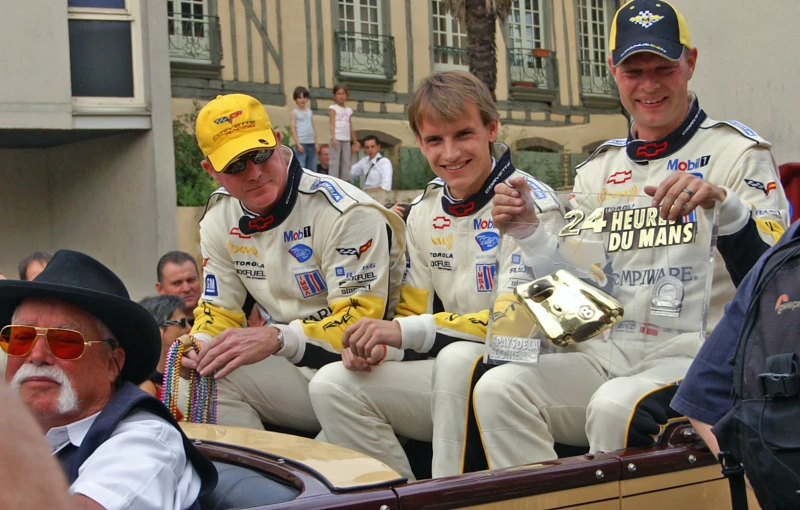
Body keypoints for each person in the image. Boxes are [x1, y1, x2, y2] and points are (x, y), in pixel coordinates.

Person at [480, 0, 789, 471]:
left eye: (663, 67)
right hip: (606, 348)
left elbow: (781, 282)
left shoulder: (738, 152)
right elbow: (580, 302)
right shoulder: (597, 169)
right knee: (498, 390)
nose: (649, 85)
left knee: (614, 405)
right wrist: (531, 235)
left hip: (697, 358)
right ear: (612, 71)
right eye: (633, 70)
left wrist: (724, 207)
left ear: (691, 62)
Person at [308, 70, 565, 480]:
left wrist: (403, 333)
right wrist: (381, 345)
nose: (449, 153)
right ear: (419, 141)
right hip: (455, 376)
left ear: (491, 129)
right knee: (331, 384)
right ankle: (398, 497)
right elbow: (413, 313)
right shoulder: (425, 210)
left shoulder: (529, 203)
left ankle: (448, 495)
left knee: (458, 359)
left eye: (463, 134)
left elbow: (516, 327)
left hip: (533, 372)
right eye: (434, 140)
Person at [184, 93, 407, 434]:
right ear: (210, 171)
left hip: (369, 368)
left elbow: (360, 324)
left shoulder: (346, 212)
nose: (255, 173)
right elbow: (219, 313)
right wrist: (196, 344)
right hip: (297, 366)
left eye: (260, 154)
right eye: (235, 165)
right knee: (196, 377)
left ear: (277, 140)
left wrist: (276, 337)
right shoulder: (218, 218)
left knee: (331, 384)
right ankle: (258, 481)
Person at [1, 249, 216, 509]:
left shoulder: (145, 441)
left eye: (65, 340)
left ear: (113, 363)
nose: (36, 355)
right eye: (21, 337)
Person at [0, 378, 73, 510]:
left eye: (65, 355)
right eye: (18, 355)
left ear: (111, 366)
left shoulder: (119, 446)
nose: (37, 357)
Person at [138, 295, 192, 411]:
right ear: (159, 331)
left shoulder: (181, 376)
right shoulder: (146, 386)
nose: (189, 328)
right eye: (182, 323)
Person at [328, 84, 359, 181]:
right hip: (336, 138)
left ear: (346, 95)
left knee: (346, 162)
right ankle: (334, 182)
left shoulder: (348, 110)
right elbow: (332, 124)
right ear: (334, 96)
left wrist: (354, 140)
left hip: (346, 140)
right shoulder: (333, 108)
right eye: (338, 94)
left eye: (343, 94)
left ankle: (344, 182)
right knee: (335, 162)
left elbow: (350, 126)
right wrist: (333, 138)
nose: (341, 96)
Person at [156, 251, 202, 316]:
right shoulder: (151, 324)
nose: (186, 289)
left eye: (191, 280)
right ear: (160, 289)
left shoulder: (218, 317)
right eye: (177, 283)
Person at [290, 86, 318, 170]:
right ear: (295, 99)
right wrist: (298, 143)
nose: (302, 100)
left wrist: (316, 143)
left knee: (312, 167)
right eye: (300, 98)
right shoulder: (294, 112)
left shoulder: (310, 112)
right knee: (302, 167)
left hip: (311, 143)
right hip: (302, 143)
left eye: (304, 97)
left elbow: (313, 127)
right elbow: (293, 128)